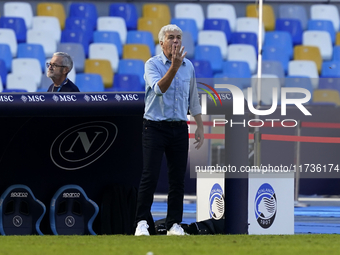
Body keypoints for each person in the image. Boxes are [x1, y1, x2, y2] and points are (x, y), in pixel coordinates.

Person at [134, 24, 204, 236]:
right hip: (155, 126)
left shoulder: (188, 66)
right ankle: (142, 222)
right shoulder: (152, 64)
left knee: (177, 179)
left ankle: (174, 224)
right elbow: (159, 89)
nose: (176, 41)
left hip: (179, 127)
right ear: (161, 42)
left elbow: (193, 97)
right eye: (171, 37)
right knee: (150, 175)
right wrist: (173, 67)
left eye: (179, 37)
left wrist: (199, 124)